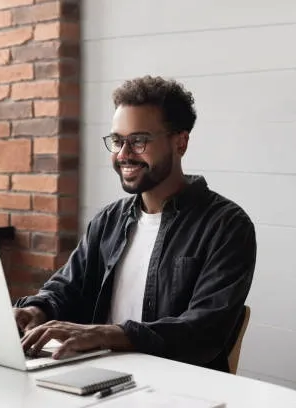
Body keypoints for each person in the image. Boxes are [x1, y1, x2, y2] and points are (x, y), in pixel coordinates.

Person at [14, 75, 256, 372]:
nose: (124, 154)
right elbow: (67, 287)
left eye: (139, 141)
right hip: (100, 377)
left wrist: (108, 334)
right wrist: (36, 310)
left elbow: (204, 331)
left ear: (180, 142)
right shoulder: (108, 220)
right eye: (117, 141)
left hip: (180, 386)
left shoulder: (226, 226)